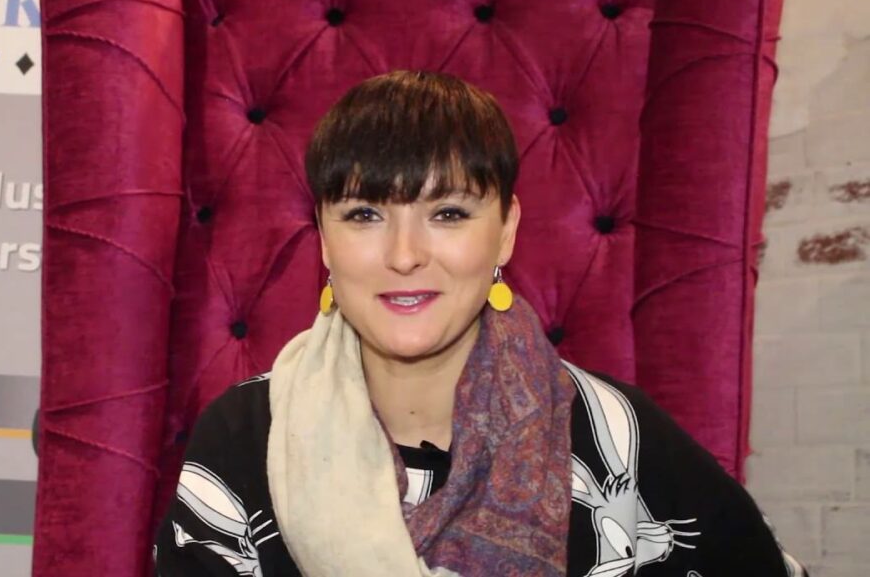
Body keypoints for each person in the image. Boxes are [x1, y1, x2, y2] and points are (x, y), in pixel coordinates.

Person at [153, 70, 807, 576]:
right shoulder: (245, 438)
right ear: (324, 239)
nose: (404, 255)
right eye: (364, 215)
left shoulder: (613, 434)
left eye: (448, 214)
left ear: (506, 231)